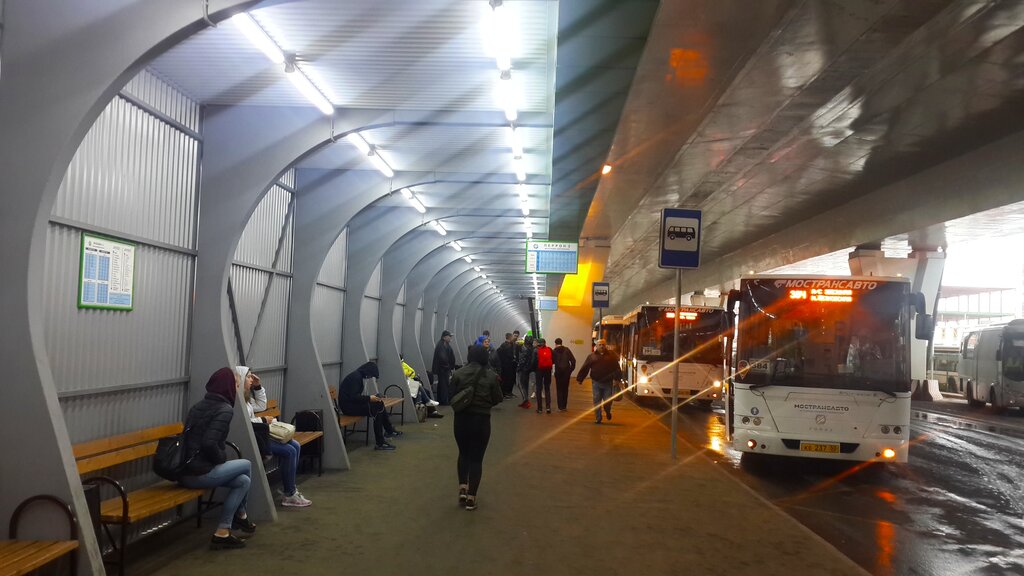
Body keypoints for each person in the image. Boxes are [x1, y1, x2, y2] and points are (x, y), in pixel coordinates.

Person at [179, 367, 255, 550]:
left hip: (184, 470)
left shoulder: (198, 406)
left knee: (243, 481)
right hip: (199, 473)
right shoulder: (224, 409)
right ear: (227, 386)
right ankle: (241, 516)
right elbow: (209, 443)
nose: (237, 389)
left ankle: (223, 531)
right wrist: (221, 458)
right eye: (235, 384)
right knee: (246, 464)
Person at [239, 366, 311, 508]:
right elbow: (244, 422)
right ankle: (289, 494)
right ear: (241, 379)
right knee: (289, 451)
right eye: (248, 377)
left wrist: (258, 387)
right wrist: (263, 420)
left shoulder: (246, 397)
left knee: (295, 445)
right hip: (253, 438)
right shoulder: (237, 400)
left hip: (260, 434)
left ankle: (290, 488)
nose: (251, 379)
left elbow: (261, 405)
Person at [450, 346, 503, 511]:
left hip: (461, 420)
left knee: (463, 453)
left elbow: (451, 396)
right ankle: (471, 498)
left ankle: (462, 488)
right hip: (481, 421)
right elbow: (498, 398)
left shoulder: (458, 374)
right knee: (476, 459)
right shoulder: (491, 376)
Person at [338, 362, 401, 450]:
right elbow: (353, 397)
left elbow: (354, 397)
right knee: (377, 408)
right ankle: (380, 442)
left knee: (379, 404)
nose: (370, 377)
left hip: (350, 405)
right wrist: (369, 398)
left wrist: (372, 397)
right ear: (368, 371)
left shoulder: (357, 376)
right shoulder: (356, 378)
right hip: (348, 408)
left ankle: (388, 431)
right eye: (371, 375)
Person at [576, 339, 623, 424]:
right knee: (596, 400)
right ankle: (598, 418)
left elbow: (616, 368)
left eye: (603, 345)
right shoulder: (592, 356)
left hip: (608, 383)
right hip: (596, 382)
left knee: (608, 401)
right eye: (600, 345)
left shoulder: (611, 356)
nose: (601, 346)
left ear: (605, 346)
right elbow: (585, 367)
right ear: (596, 346)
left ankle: (607, 411)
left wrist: (617, 379)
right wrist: (580, 379)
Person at [432, 330, 457, 405]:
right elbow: (442, 358)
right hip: (443, 369)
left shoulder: (445, 344)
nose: (450, 338)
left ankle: (441, 400)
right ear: (444, 337)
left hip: (444, 368)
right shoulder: (441, 345)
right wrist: (448, 366)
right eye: (449, 336)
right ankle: (444, 401)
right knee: (444, 385)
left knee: (442, 384)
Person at [552, 338, 577, 412]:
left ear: (555, 343)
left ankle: (560, 407)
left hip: (558, 373)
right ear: (561, 343)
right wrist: (570, 370)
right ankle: (564, 406)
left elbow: (552, 361)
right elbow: (573, 360)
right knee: (565, 389)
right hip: (566, 373)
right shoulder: (567, 350)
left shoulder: (554, 351)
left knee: (559, 389)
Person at [532, 338, 554, 413]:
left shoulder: (535, 350)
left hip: (539, 371)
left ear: (538, 343)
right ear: (545, 343)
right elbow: (553, 359)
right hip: (548, 370)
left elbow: (533, 362)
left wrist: (534, 369)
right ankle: (548, 408)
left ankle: (540, 409)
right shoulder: (549, 349)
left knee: (539, 389)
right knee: (547, 388)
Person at [496, 333, 518, 399]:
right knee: (509, 379)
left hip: (503, 365)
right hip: (509, 365)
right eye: (512, 337)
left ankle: (505, 393)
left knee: (505, 379)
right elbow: (510, 356)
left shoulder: (503, 345)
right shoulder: (509, 346)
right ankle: (507, 393)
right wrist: (514, 357)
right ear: (510, 337)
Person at [517, 336, 535, 409]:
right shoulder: (532, 348)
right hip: (528, 369)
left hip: (523, 369)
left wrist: (519, 368)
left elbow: (522, 360)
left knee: (520, 384)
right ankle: (525, 401)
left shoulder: (524, 348)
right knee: (526, 385)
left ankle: (526, 401)